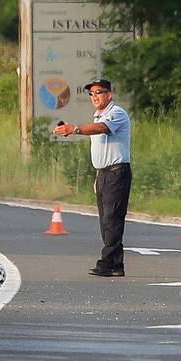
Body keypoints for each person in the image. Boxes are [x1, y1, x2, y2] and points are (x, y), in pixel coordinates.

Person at [53, 79, 132, 277]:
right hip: (104, 173)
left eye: (99, 92)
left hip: (116, 172)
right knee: (105, 221)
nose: (95, 97)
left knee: (113, 218)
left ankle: (107, 262)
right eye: (91, 94)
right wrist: (98, 176)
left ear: (109, 94)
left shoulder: (116, 113)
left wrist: (75, 129)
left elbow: (102, 129)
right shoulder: (98, 116)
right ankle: (116, 263)